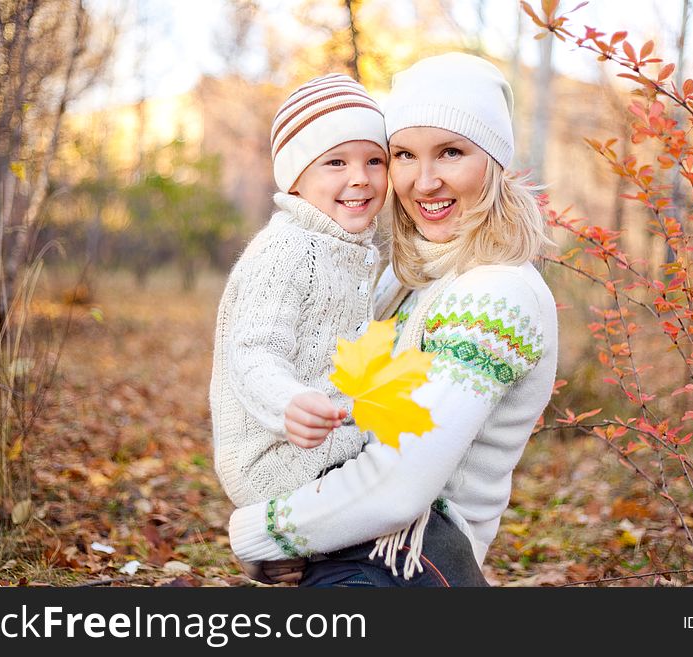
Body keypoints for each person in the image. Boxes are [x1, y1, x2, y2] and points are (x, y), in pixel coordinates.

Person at [226, 52, 559, 587]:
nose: (423, 181)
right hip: (352, 543)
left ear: (493, 161)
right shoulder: (406, 280)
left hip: (412, 558)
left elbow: (399, 483)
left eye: (450, 153)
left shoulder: (498, 294)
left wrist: (260, 530)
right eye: (403, 154)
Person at [209, 73, 387, 509]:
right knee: (400, 474)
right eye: (336, 163)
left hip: (324, 442)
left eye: (374, 161)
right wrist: (290, 402)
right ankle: (273, 538)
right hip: (276, 455)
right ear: (295, 180)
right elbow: (252, 351)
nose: (360, 178)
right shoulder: (288, 247)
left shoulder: (348, 244)